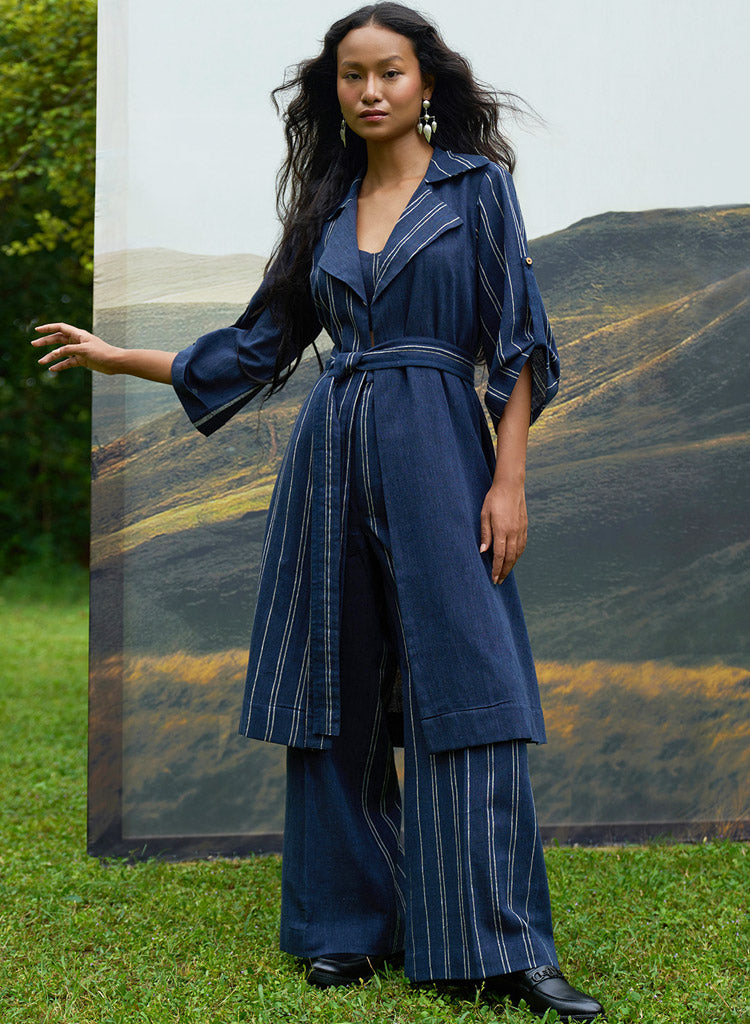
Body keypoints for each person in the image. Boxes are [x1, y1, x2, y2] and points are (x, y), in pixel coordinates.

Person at [33, 3, 606, 1020]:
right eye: (352, 74)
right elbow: (257, 347)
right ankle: (347, 927)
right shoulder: (327, 209)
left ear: (426, 82)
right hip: (329, 456)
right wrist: (119, 356)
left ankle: (501, 947)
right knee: (332, 688)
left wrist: (508, 481)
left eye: (390, 71)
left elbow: (518, 341)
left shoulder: (476, 188)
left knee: (471, 686)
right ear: (334, 89)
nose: (371, 90)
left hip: (442, 450)